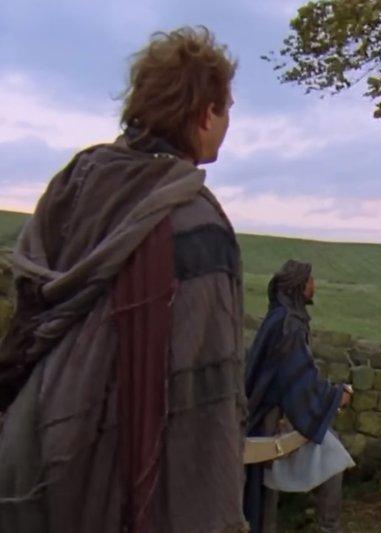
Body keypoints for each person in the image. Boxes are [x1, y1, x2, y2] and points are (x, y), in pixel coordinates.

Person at [0, 27, 247, 532]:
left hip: (29, 451)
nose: (227, 123)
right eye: (226, 109)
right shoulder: (194, 222)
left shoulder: (76, 185)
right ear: (203, 113)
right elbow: (204, 403)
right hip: (122, 478)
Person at [244, 260, 352, 533]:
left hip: (267, 412)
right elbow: (297, 379)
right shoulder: (288, 324)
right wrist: (336, 395)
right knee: (333, 455)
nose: (314, 285)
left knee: (263, 488)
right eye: (310, 280)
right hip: (268, 418)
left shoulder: (281, 317)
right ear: (299, 286)